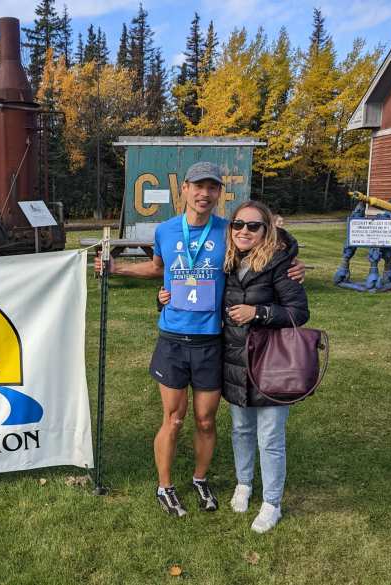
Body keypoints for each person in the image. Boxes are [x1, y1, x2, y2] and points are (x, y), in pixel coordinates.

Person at [96, 161, 304, 518]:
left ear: (219, 194)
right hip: (173, 338)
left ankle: (200, 478)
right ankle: (165, 485)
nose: (204, 194)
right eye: (198, 186)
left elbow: (272, 239)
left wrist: (292, 262)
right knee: (173, 418)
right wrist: (117, 268)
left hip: (211, 341)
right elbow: (161, 268)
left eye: (212, 188)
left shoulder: (228, 229)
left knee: (206, 420)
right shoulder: (165, 230)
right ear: (185, 190)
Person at [221, 200, 309, 533]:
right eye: (238, 224)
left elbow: (299, 313)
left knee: (270, 437)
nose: (244, 231)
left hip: (272, 363)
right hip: (235, 360)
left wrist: (258, 313)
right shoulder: (228, 262)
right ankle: (244, 483)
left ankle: (272, 502)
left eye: (253, 226)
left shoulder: (280, 262)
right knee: (241, 429)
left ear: (266, 230)